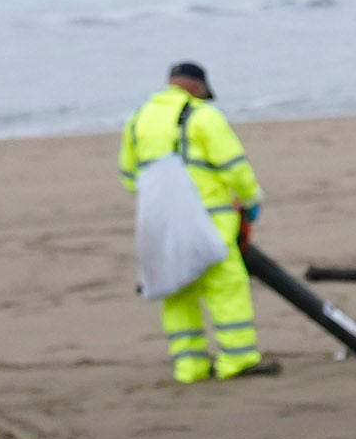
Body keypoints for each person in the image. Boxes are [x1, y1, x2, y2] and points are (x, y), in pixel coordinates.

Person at [117, 63, 276, 386]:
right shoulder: (203, 116)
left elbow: (130, 176)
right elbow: (233, 166)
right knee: (225, 287)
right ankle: (238, 359)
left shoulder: (138, 121)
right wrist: (250, 199)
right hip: (211, 219)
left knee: (176, 290)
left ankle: (189, 367)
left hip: (160, 224)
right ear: (199, 88)